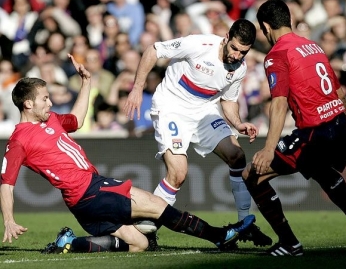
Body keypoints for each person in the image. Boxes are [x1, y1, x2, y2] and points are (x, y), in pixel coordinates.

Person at [0, 54, 257, 254]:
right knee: (158, 206)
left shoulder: (51, 119)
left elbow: (77, 120)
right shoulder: (19, 140)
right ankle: (219, 237)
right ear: (28, 104)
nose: (50, 103)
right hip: (90, 190)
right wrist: (9, 220)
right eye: (45, 99)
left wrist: (87, 82)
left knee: (139, 243)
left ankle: (71, 243)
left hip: (82, 202)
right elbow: (6, 183)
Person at [123, 18, 272, 247]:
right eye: (234, 48)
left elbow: (229, 102)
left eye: (243, 52)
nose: (236, 55)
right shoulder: (198, 45)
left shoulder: (239, 68)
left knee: (237, 156)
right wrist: (137, 87)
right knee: (178, 174)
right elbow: (153, 50)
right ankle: (146, 227)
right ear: (226, 39)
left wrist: (239, 123)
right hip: (171, 108)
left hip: (204, 111)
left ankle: (245, 225)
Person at [241, 0, 346, 257]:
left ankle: (289, 242)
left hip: (315, 132)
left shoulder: (277, 54)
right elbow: (339, 93)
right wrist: (340, 123)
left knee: (251, 176)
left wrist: (268, 149)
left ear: (266, 26)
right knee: (319, 168)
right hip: (337, 125)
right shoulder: (313, 46)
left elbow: (278, 104)